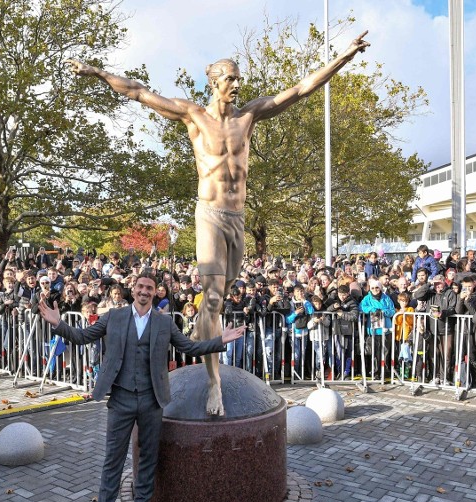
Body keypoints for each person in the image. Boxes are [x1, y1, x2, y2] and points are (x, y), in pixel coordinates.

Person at [65, 31, 370, 416]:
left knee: (221, 298)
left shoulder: (249, 115)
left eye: (239, 78)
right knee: (210, 298)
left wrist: (343, 57)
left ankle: (201, 335)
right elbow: (139, 92)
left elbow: (300, 90)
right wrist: (95, 71)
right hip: (208, 214)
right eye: (230, 78)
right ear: (214, 82)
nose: (237, 85)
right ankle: (213, 384)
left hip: (237, 218)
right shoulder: (194, 116)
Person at [37, 272, 245, 502]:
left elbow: (189, 347)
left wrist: (220, 341)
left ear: (154, 292)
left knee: (148, 455)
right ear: (132, 290)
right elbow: (83, 336)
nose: (145, 291)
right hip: (121, 398)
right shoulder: (114, 317)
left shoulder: (164, 323)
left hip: (151, 398)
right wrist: (58, 323)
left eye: (149, 288)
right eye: (140, 287)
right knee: (113, 458)